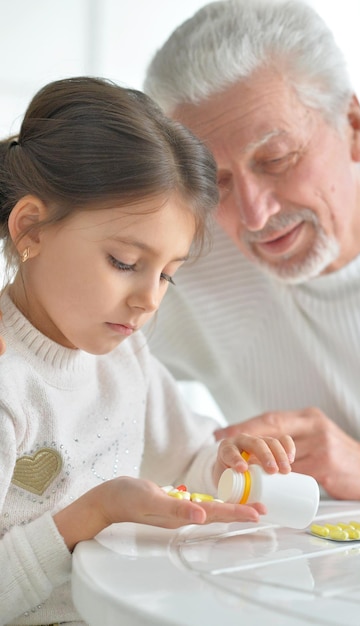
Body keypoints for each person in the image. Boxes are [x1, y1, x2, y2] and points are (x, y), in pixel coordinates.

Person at [0, 76, 296, 625]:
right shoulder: (8, 381)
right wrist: (90, 516)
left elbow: (184, 460)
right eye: (124, 263)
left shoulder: (124, 358)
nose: (147, 300)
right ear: (31, 228)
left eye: (168, 275)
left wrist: (227, 463)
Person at [143, 0, 360, 504]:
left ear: (353, 126)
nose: (253, 216)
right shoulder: (184, 261)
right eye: (217, 182)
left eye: (276, 159)